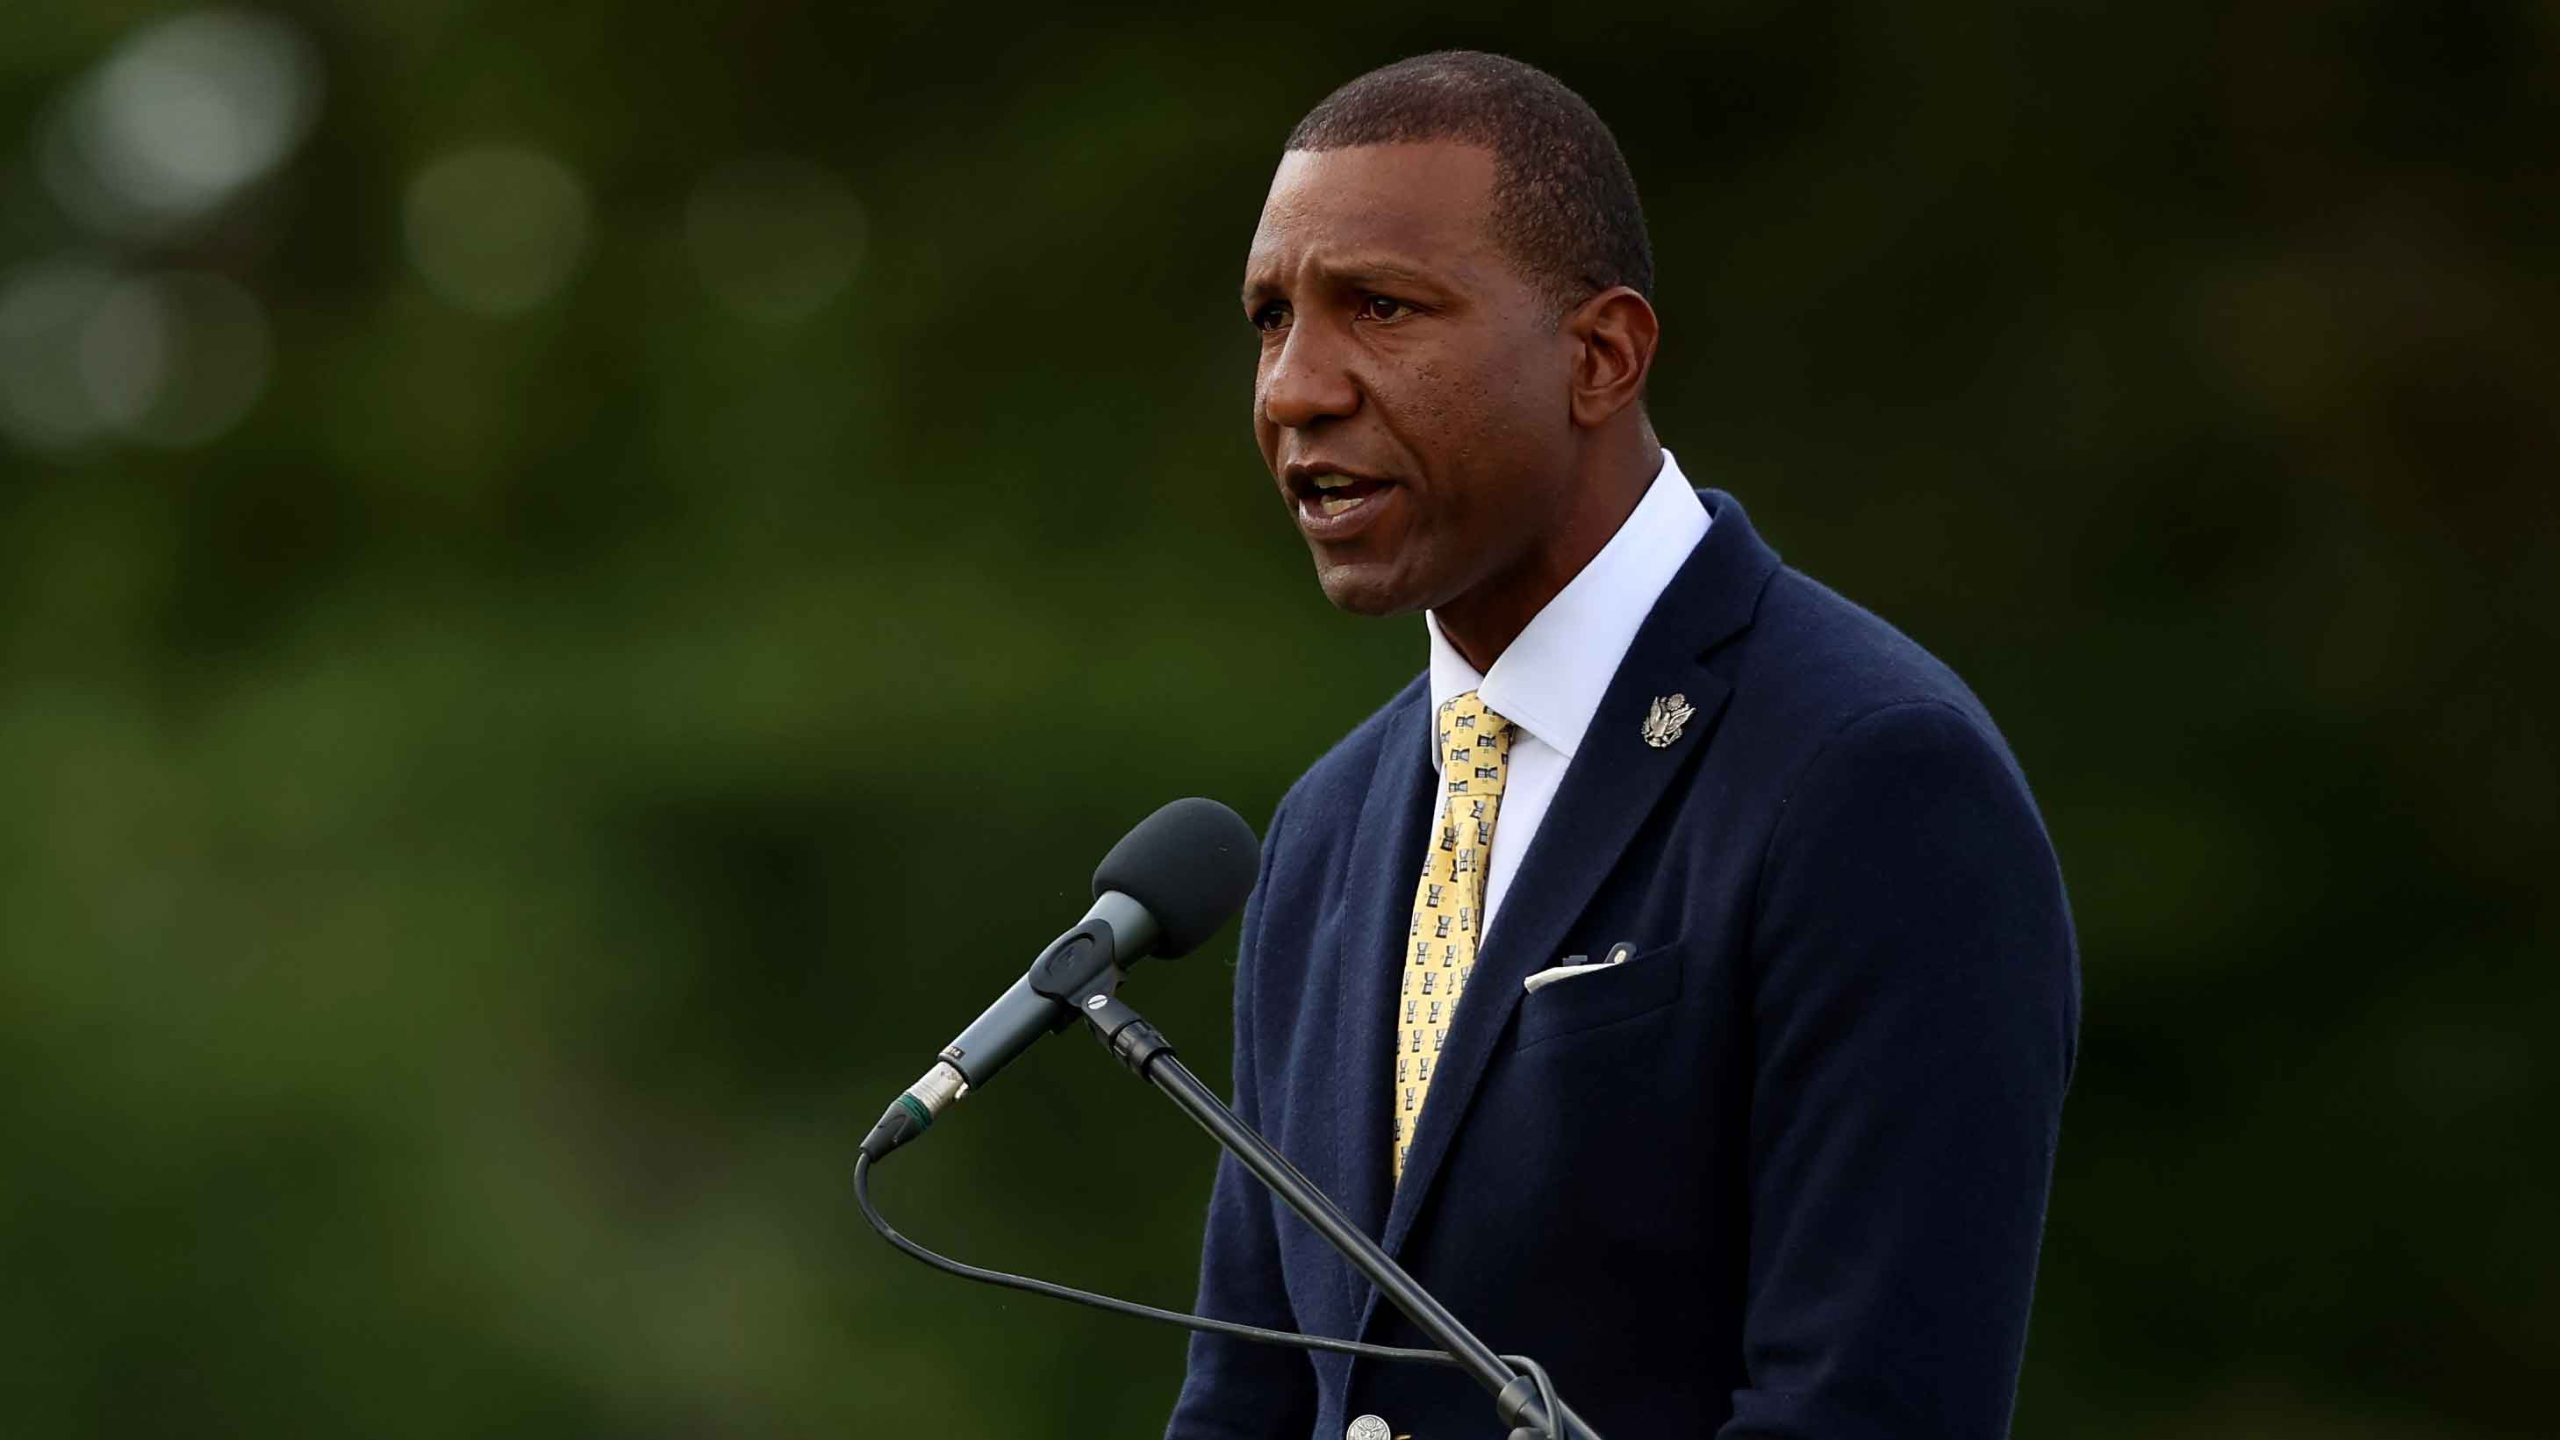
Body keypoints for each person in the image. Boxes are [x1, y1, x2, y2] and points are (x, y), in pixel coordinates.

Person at [1167, 51, 2078, 1440]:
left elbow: (1868, 1411)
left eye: (1381, 307)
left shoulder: (1870, 773)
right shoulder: (1325, 830)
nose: (1296, 388)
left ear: (1601, 356)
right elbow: (1249, 1395)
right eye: (1270, 318)